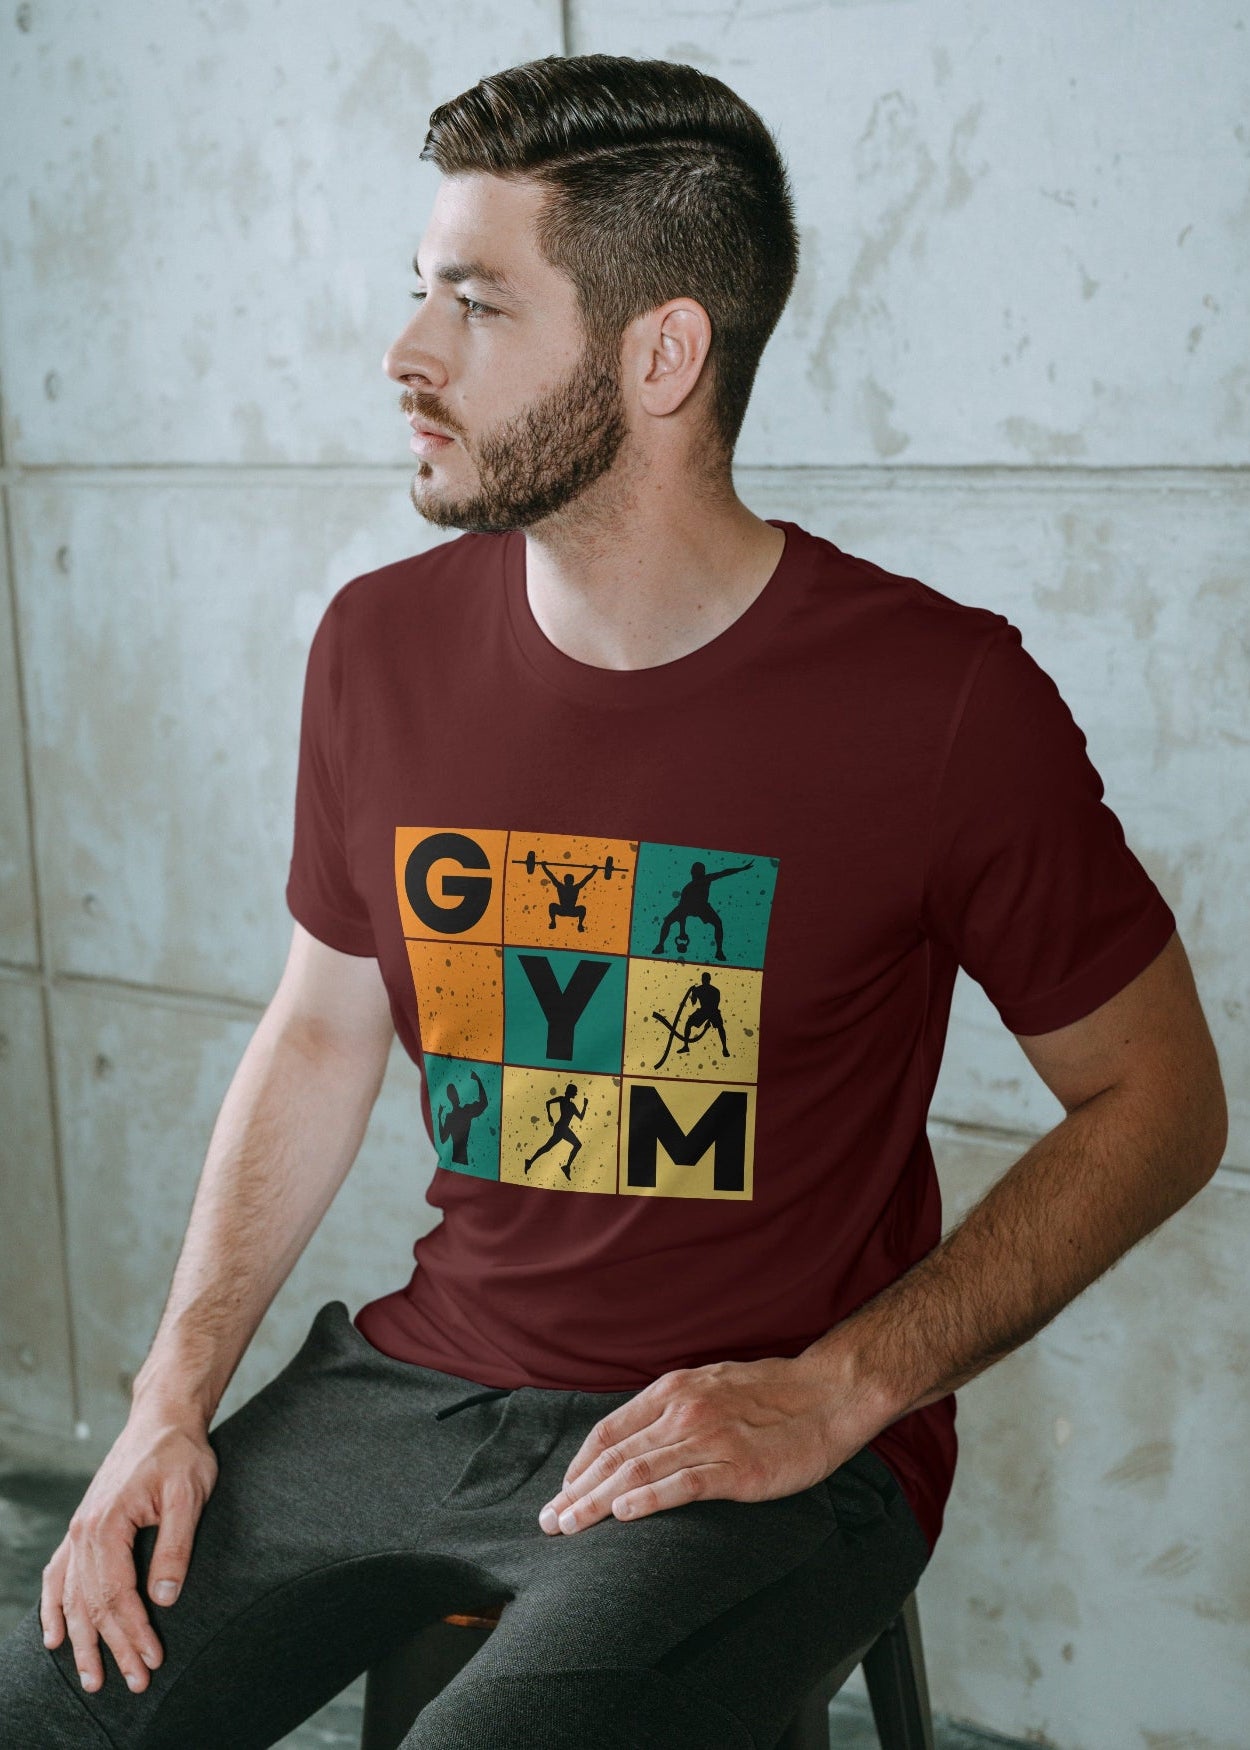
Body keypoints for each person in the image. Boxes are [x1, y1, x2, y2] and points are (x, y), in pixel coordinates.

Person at [0, 50, 1227, 1750]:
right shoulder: (377, 646)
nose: (406, 353)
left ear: (661, 353)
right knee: (45, 1705)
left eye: (478, 305)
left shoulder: (939, 701)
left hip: (755, 1436)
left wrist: (840, 1390)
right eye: (418, 289)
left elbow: (1160, 1103)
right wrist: (165, 1397)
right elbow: (317, 1029)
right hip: (415, 1381)